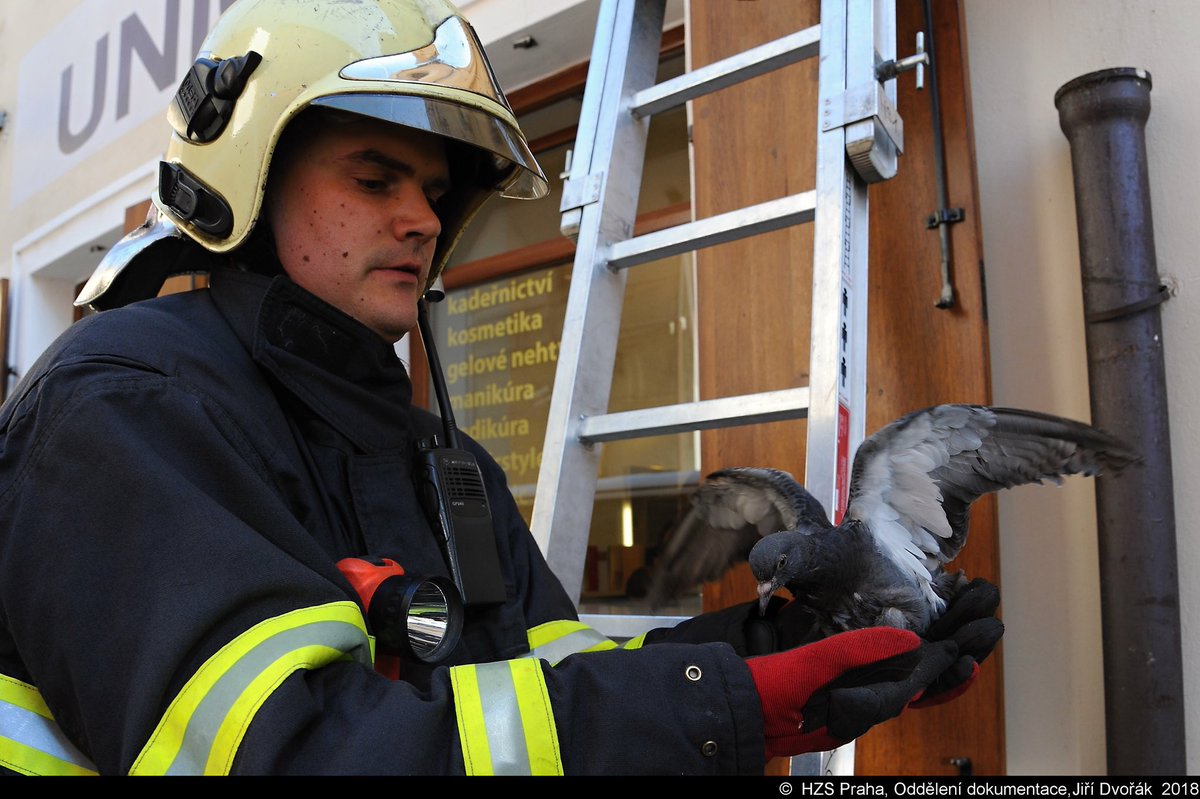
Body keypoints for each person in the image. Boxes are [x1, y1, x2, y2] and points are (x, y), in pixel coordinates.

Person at [0, 0, 1002, 776]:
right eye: (376, 179)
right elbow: (297, 754)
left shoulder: (439, 459)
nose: (424, 221)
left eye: (434, 194)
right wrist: (709, 705)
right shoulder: (128, 408)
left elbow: (546, 687)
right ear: (247, 181)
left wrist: (766, 658)